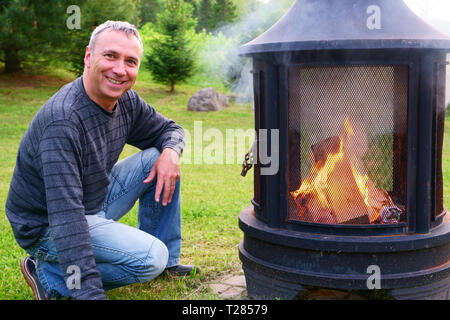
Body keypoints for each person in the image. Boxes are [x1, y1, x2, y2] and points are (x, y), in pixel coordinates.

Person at [5, 21, 199, 300]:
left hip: (91, 200)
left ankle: (168, 267)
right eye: (110, 56)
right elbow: (67, 220)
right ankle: (52, 277)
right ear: (89, 57)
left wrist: (171, 151)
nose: (120, 69)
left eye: (130, 61)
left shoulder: (126, 102)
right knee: (150, 258)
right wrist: (90, 294)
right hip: (47, 225)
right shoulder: (63, 121)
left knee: (158, 156)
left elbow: (170, 130)